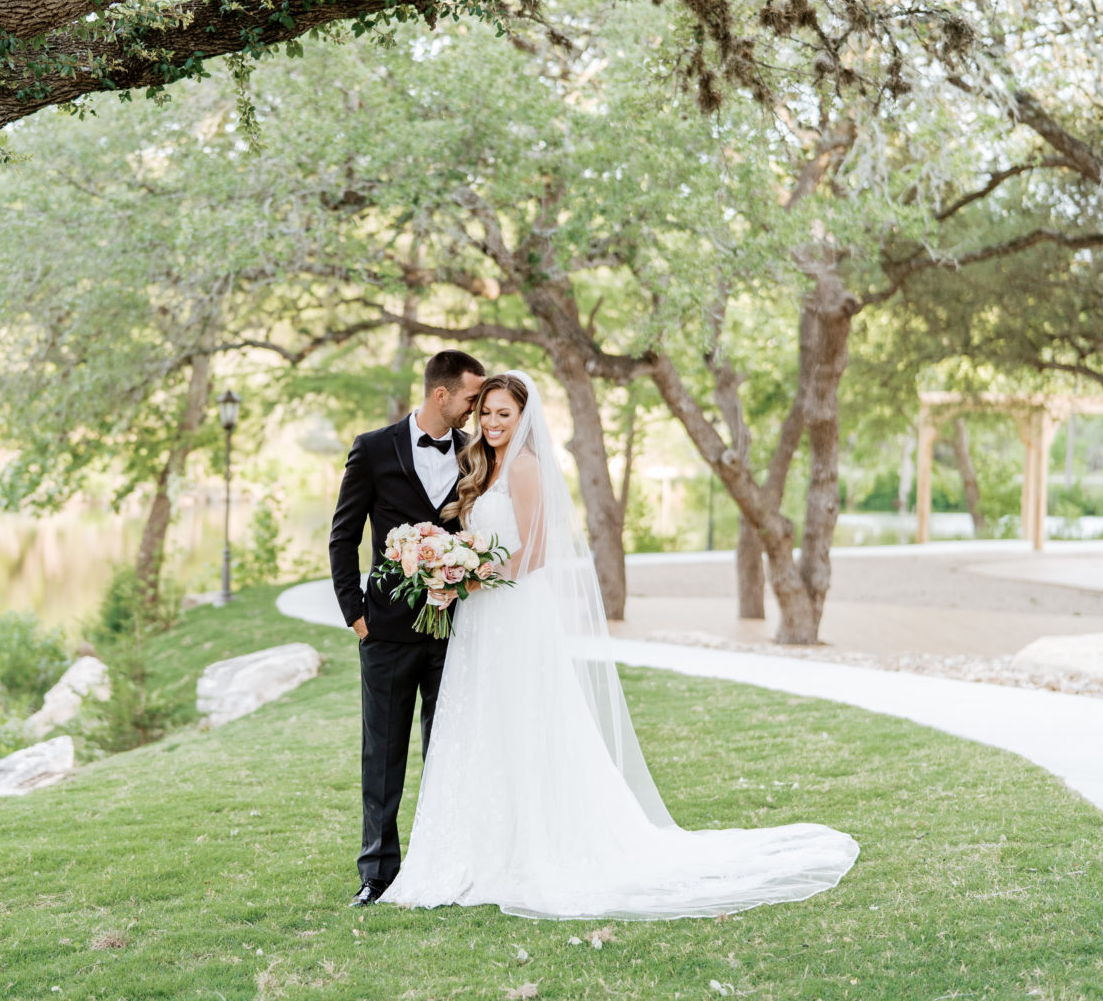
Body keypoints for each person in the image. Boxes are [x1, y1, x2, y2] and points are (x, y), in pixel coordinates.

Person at [380, 371, 860, 919]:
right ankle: (477, 845)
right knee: (483, 720)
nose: (490, 423)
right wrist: (452, 565)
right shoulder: (483, 467)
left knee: (524, 719)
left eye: (502, 414)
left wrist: (468, 575)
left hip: (513, 611)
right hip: (483, 616)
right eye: (485, 412)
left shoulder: (529, 468)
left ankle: (530, 846)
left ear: (523, 417)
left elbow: (534, 553)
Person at [328, 349, 487, 908]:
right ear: (440, 394)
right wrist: (356, 614)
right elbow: (343, 536)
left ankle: (447, 863)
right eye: (471, 398)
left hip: (455, 631)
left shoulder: (476, 454)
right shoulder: (373, 448)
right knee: (384, 753)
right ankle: (377, 873)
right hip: (388, 630)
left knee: (448, 750)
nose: (476, 409)